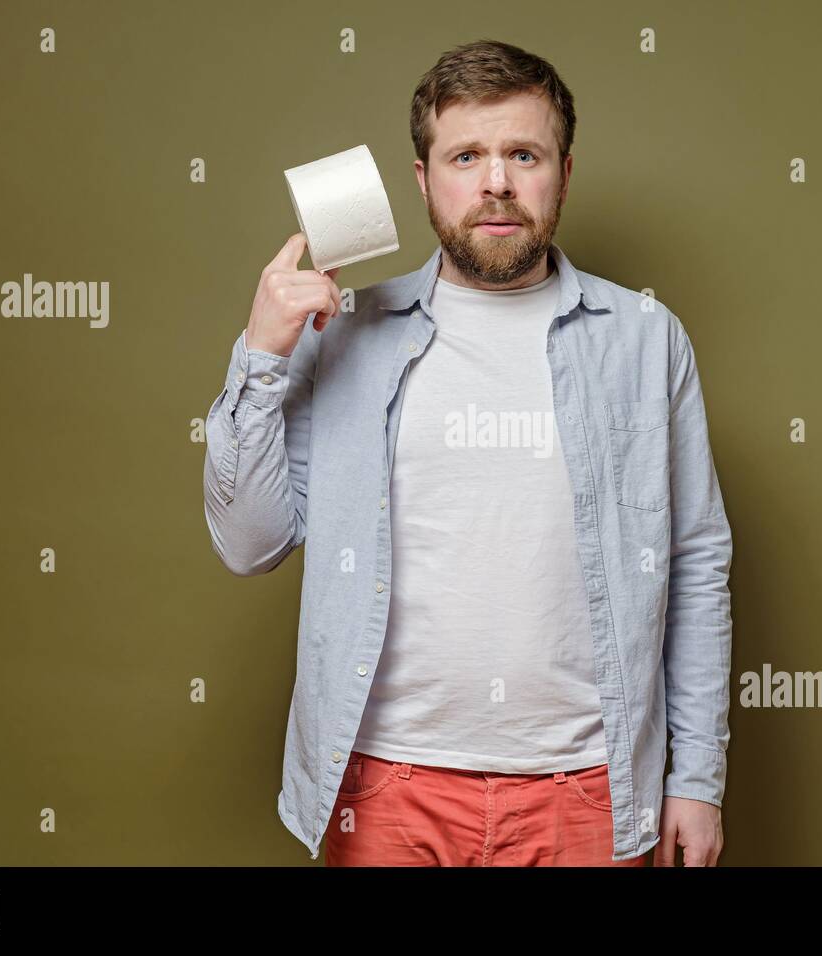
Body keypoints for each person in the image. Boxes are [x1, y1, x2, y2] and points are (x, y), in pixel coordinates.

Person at [203, 38, 733, 867]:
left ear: (562, 171)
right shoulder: (342, 332)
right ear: (423, 179)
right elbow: (247, 544)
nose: (496, 182)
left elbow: (696, 558)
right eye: (466, 156)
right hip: (384, 788)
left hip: (589, 792)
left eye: (524, 153)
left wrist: (695, 778)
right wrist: (261, 357)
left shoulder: (644, 340)